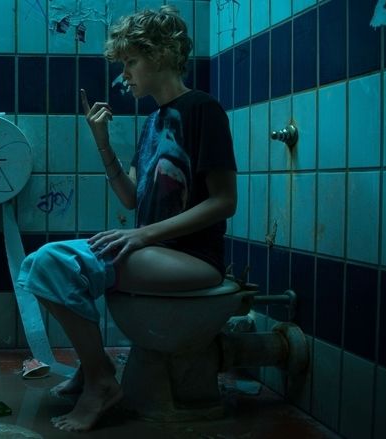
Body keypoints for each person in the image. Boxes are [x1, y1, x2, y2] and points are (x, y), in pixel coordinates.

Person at [16, 5, 238, 432]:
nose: (126, 74)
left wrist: (141, 236)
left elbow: (224, 201)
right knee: (40, 264)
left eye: (131, 61)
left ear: (161, 55)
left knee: (52, 263)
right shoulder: (153, 121)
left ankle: (99, 379)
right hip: (155, 249)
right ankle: (92, 366)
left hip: (192, 258)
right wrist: (102, 141)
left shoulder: (202, 110)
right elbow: (132, 197)